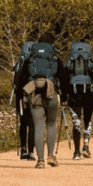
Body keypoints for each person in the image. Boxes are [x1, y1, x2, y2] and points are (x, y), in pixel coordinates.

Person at [14, 32, 68, 169]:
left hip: (34, 95)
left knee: (38, 126)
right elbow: (64, 78)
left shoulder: (30, 58)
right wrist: (65, 98)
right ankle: (51, 155)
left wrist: (21, 96)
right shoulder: (55, 58)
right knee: (51, 124)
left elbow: (20, 80)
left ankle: (40, 161)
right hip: (52, 94)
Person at [65, 40, 93, 160]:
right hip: (88, 94)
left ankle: (76, 152)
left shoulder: (70, 62)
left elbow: (65, 79)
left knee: (76, 122)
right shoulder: (91, 61)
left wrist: (64, 96)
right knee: (87, 120)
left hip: (73, 93)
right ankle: (86, 146)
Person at [12, 42, 36, 161]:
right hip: (33, 96)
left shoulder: (20, 63)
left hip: (21, 96)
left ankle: (23, 149)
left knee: (23, 123)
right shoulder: (35, 63)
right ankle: (31, 152)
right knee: (32, 123)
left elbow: (15, 82)